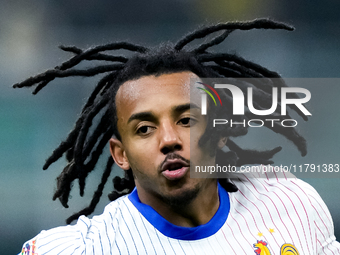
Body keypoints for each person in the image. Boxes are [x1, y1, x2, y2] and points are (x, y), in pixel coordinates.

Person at [15, 19, 340, 254]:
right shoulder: (85, 249)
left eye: (187, 120)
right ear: (120, 154)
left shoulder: (293, 205)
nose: (169, 139)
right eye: (144, 129)